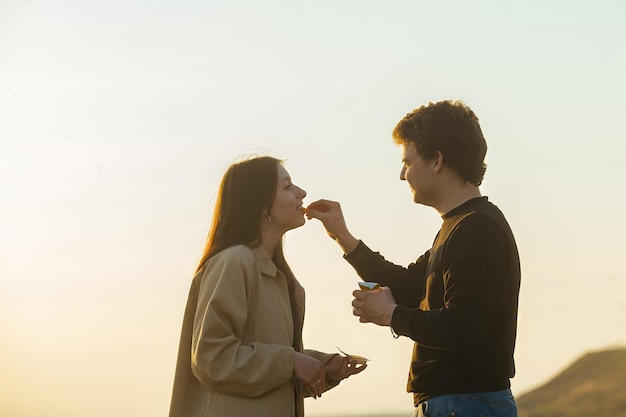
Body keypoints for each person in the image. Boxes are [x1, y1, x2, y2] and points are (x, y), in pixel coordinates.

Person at [306, 100, 521, 417]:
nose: (402, 175)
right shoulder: (460, 226)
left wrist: (392, 314)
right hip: (458, 404)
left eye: (407, 162)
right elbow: (407, 285)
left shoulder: (477, 229)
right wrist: (343, 236)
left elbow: (463, 327)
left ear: (436, 160)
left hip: (463, 405)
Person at [169, 155, 367, 417]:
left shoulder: (280, 276)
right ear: (261, 207)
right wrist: (292, 361)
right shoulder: (234, 261)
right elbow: (212, 357)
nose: (301, 193)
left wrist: (321, 365)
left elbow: (259, 367)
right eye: (287, 187)